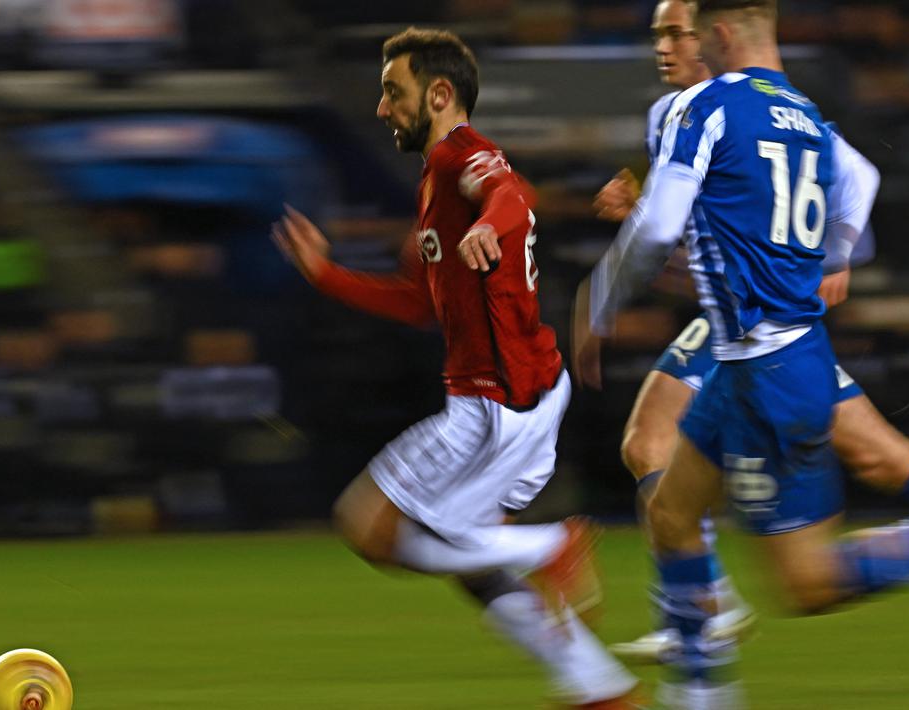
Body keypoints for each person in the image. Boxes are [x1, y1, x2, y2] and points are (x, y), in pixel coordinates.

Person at [572, 2, 909, 706]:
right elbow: (847, 188)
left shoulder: (702, 107)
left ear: (714, 34)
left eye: (677, 31)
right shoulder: (803, 116)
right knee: (668, 507)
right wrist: (838, 253)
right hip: (755, 353)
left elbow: (665, 228)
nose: (665, 45)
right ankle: (700, 694)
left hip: (767, 363)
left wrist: (599, 297)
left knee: (809, 580)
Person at [273, 28, 641, 709]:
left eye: (394, 92)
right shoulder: (436, 182)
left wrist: (488, 225)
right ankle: (598, 688)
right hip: (526, 393)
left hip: (494, 404)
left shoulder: (459, 155)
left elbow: (509, 197)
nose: (382, 108)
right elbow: (419, 302)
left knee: (367, 526)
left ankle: (551, 546)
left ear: (440, 94)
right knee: (473, 562)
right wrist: (327, 275)